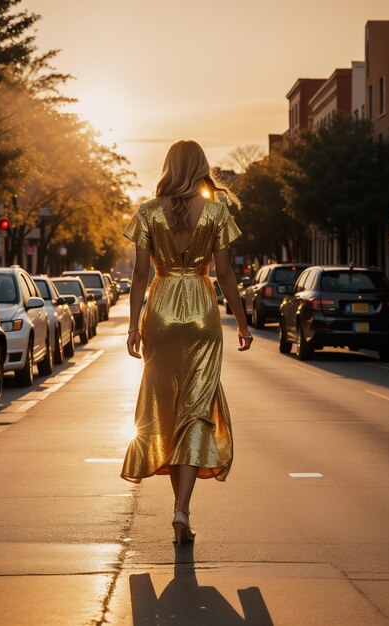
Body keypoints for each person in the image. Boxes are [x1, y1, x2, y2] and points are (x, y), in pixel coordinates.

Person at [122, 140, 253, 545]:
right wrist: (244, 324)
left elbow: (141, 276)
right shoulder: (216, 212)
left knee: (165, 410)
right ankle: (182, 509)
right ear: (201, 167)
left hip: (160, 312)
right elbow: (227, 276)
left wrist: (133, 326)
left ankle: (179, 508)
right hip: (200, 312)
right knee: (196, 411)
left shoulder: (147, 212)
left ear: (168, 167)